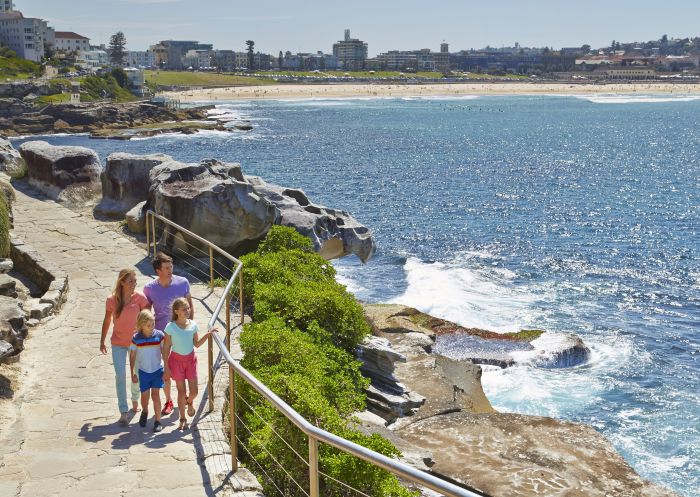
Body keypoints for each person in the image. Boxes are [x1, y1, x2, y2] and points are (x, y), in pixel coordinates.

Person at [143, 252, 194, 416]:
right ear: (158, 271)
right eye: (166, 267)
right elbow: (146, 312)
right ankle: (168, 400)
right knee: (164, 369)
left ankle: (184, 395)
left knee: (183, 365)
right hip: (161, 335)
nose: (170, 270)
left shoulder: (183, 283)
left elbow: (190, 308)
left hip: (180, 334)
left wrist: (189, 330)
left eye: (171, 266)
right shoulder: (149, 288)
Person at [100, 269, 150, 425]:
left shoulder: (140, 298)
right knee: (120, 376)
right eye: (130, 281)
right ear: (122, 282)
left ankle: (135, 399)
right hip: (118, 344)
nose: (134, 284)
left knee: (136, 374)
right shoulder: (111, 300)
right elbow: (107, 320)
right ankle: (123, 411)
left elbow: (148, 317)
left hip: (136, 344)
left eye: (135, 281)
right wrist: (102, 340)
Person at [163, 297, 218, 430]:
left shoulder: (193, 325)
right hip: (176, 362)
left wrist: (208, 334)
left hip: (191, 361)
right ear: (176, 311)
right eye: (184, 309)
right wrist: (166, 367)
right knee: (181, 391)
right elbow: (166, 348)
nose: (188, 310)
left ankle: (189, 401)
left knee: (194, 392)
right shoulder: (170, 327)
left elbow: (197, 344)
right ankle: (182, 418)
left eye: (188, 308)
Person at [129, 310, 166, 433]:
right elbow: (132, 355)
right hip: (144, 372)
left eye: (153, 324)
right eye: (148, 326)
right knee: (145, 397)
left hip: (157, 370)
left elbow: (164, 352)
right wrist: (132, 373)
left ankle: (158, 421)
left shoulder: (159, 336)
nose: (151, 328)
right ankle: (144, 411)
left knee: (156, 395)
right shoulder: (136, 339)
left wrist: (166, 368)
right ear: (141, 325)